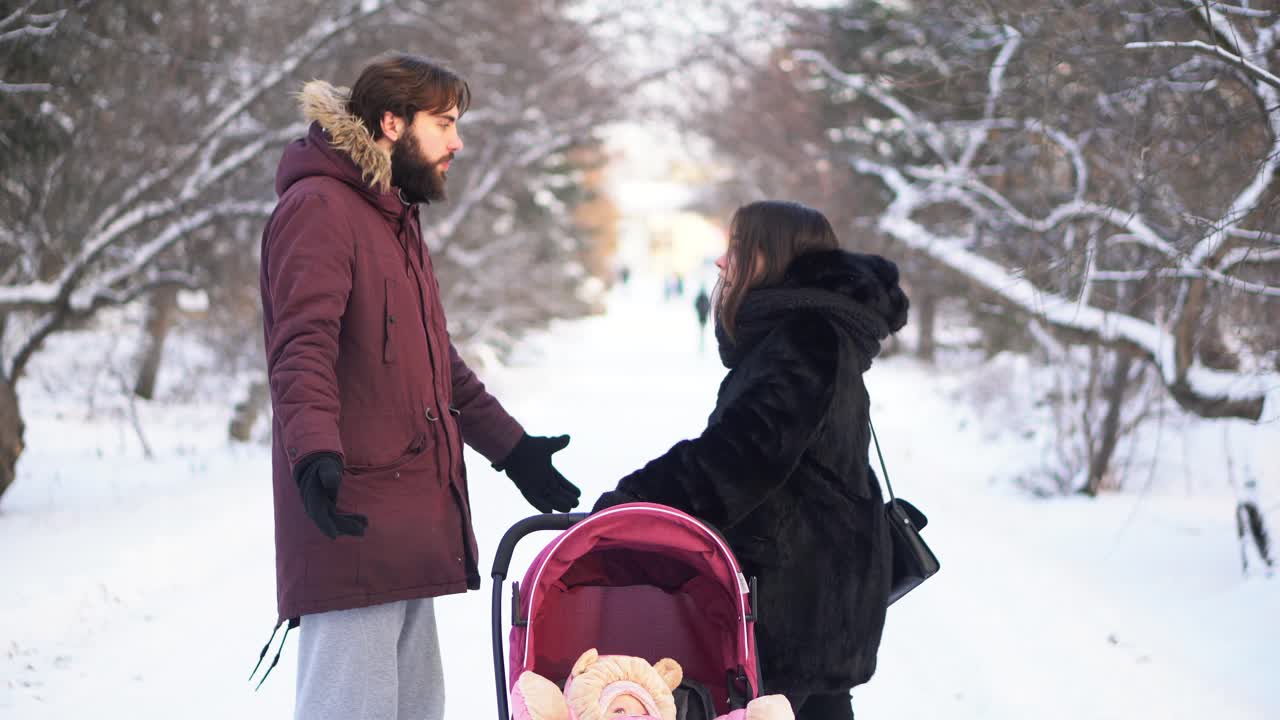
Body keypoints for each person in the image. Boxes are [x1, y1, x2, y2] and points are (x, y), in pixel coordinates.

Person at [256, 53, 581, 719]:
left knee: (415, 708)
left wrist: (511, 448)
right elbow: (301, 344)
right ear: (391, 123)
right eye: (445, 123)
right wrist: (314, 452)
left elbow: (438, 362)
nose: (457, 141)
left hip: (403, 517)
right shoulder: (319, 209)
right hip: (351, 515)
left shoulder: (392, 220)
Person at [593, 200, 908, 719]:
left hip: (799, 601)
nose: (720, 263)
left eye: (735, 249)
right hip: (816, 597)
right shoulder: (814, 334)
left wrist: (630, 506)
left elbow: (740, 456)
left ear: (770, 257)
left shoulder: (806, 339)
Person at [694, 287, 712, 352]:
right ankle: (701, 345)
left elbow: (708, 305)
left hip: (702, 316)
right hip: (702, 316)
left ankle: (702, 344)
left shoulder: (702, 298)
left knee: (702, 331)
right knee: (702, 330)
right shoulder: (704, 298)